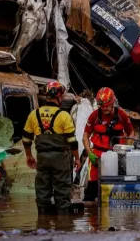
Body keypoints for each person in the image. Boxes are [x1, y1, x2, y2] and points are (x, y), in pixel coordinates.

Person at [23, 81, 81, 215]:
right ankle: (63, 225)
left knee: (42, 191)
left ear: (47, 96)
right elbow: (72, 141)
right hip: (60, 159)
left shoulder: (34, 114)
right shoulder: (64, 115)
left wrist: (28, 156)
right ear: (60, 97)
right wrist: (77, 159)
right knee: (62, 192)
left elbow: (26, 139)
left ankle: (43, 224)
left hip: (42, 158)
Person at [82, 87, 134, 201]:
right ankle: (91, 214)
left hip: (117, 154)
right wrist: (88, 152)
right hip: (97, 155)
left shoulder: (122, 115)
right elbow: (85, 135)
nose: (105, 109)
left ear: (112, 103)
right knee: (92, 188)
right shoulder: (94, 116)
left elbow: (131, 132)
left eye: (107, 106)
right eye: (102, 106)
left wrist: (127, 149)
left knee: (118, 187)